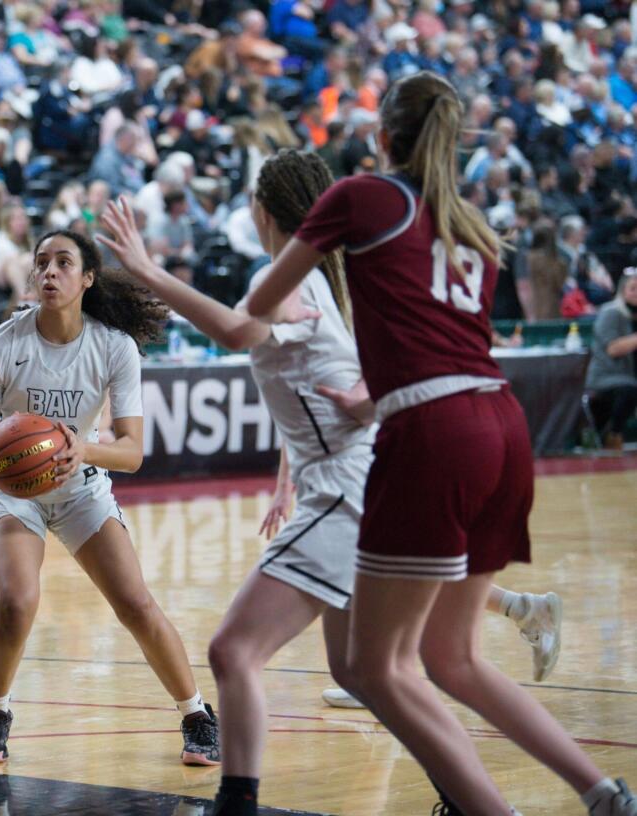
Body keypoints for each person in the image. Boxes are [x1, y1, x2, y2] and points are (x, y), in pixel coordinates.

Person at [243, 72, 636, 816]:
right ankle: (605, 793)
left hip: (432, 432)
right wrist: (369, 392)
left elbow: (254, 310)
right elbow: (451, 344)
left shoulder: (361, 195)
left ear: (382, 136)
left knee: (368, 666)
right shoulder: (473, 228)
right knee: (450, 658)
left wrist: (145, 273)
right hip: (501, 423)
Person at [0, 228, 219, 767]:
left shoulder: (114, 346)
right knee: (17, 602)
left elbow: (132, 451)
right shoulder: (4, 344)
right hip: (14, 492)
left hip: (81, 485)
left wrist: (84, 451)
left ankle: (196, 714)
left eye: (64, 263)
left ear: (88, 278)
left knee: (135, 603)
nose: (49, 272)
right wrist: (5, 456)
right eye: (42, 263)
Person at [586, 270, 637, 451]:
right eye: (633, 288)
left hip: (627, 376)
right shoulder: (611, 312)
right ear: (622, 290)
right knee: (630, 389)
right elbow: (613, 348)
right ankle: (613, 435)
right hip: (606, 377)